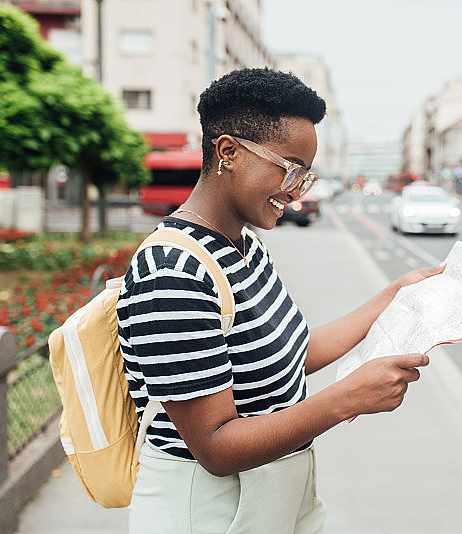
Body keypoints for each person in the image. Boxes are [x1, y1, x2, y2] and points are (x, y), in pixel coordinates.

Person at [116, 68, 442, 534]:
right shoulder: (173, 271)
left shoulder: (244, 245)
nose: (296, 190)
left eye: (305, 175)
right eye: (290, 168)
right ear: (228, 152)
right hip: (209, 511)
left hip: (273, 494)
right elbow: (216, 448)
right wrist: (345, 400)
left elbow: (291, 355)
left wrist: (394, 295)